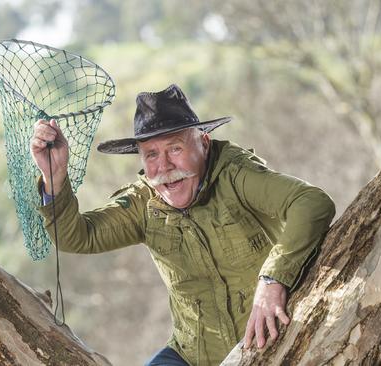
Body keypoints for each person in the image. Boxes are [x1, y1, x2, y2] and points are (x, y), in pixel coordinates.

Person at [30, 84, 335, 365]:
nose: (164, 167)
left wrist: (273, 280)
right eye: (151, 154)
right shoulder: (142, 203)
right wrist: (54, 179)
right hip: (190, 356)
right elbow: (75, 237)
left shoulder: (235, 175)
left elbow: (311, 203)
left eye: (175, 149)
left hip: (268, 341)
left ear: (203, 142)